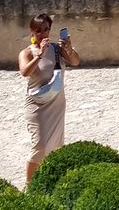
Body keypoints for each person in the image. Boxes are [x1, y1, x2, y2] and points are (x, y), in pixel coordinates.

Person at [19, 12, 80, 182]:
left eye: (46, 30)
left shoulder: (55, 49)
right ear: (32, 32)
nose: (43, 34)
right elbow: (25, 72)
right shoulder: (27, 53)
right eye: (39, 31)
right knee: (40, 146)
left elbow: (75, 61)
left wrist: (68, 47)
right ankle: (29, 185)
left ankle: (51, 180)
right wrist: (39, 55)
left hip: (56, 102)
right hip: (37, 105)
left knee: (55, 145)